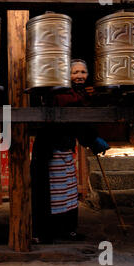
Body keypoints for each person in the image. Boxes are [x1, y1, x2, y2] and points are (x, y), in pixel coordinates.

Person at [30, 59, 110, 243]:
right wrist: (91, 137)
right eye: (75, 72)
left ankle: (68, 231)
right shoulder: (59, 93)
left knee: (68, 193)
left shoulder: (81, 94)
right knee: (52, 193)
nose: (80, 76)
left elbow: (80, 124)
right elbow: (71, 111)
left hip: (66, 149)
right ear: (67, 75)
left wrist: (91, 140)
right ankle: (44, 233)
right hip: (50, 150)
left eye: (83, 72)